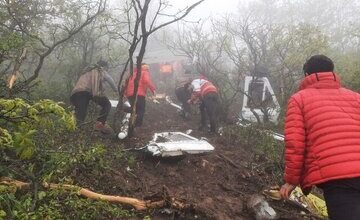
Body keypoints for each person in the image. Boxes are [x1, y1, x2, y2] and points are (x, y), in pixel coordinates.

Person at [280, 55, 360, 220]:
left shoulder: (299, 99)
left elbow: (295, 144)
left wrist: (291, 180)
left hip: (338, 178)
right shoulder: (355, 97)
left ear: (307, 75)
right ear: (331, 72)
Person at [70, 60, 117, 134]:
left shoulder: (87, 70)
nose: (106, 70)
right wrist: (116, 91)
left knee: (80, 112)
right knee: (107, 104)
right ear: (104, 67)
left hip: (75, 93)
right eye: (107, 69)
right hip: (85, 92)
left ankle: (75, 131)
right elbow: (109, 79)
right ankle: (99, 124)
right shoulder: (100, 70)